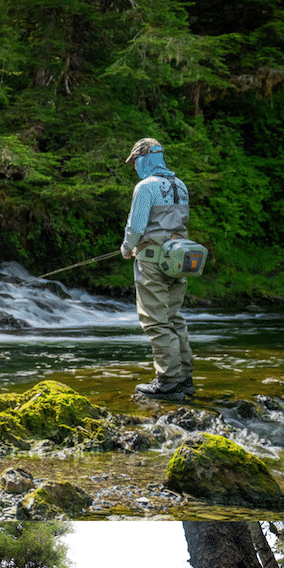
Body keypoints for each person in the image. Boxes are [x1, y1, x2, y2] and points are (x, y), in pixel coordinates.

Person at [120, 137, 195, 402]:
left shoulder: (145, 187)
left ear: (144, 159)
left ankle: (168, 382)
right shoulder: (181, 185)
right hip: (178, 260)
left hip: (151, 260)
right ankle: (185, 379)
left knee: (155, 321)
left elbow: (136, 226)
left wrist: (127, 247)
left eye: (136, 161)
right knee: (174, 317)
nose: (136, 166)